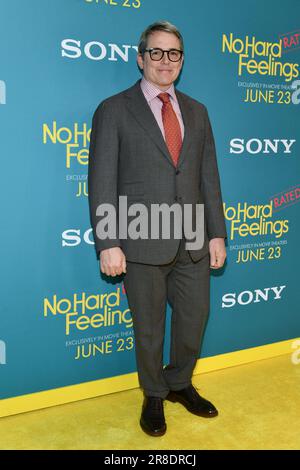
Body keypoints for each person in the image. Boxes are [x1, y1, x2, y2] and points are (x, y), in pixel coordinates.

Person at [88, 20, 227, 437]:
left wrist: (217, 232)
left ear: (182, 61)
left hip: (194, 240)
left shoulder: (198, 111)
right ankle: (153, 395)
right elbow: (101, 182)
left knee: (193, 319)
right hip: (140, 240)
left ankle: (179, 383)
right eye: (157, 52)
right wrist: (108, 242)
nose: (165, 61)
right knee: (148, 329)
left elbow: (208, 177)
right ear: (140, 57)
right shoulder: (113, 109)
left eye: (174, 54)